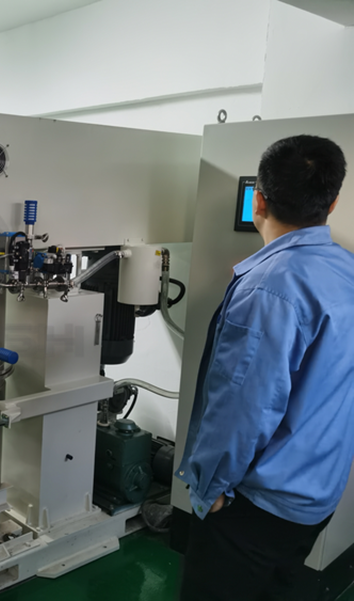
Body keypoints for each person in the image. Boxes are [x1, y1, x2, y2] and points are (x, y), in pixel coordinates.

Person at [177, 135, 354, 601]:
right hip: (318, 494)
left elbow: (242, 408)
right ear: (332, 202)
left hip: (256, 505)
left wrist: (211, 488)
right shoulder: (345, 269)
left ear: (258, 200)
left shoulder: (267, 289)